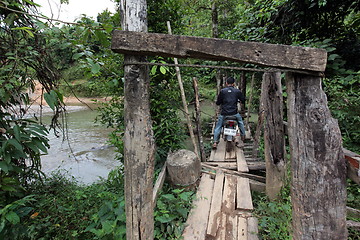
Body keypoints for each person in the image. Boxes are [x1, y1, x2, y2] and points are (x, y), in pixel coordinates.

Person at [212, 76, 246, 149]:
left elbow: (218, 102)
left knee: (218, 127)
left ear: (226, 83)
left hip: (224, 114)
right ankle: (243, 136)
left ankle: (215, 142)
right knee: (240, 122)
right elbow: (243, 100)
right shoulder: (237, 91)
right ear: (233, 84)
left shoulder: (222, 91)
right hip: (234, 113)